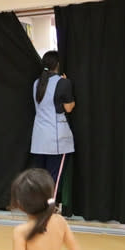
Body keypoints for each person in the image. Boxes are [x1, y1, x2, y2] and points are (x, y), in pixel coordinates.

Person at [30, 50, 75, 202]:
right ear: (58, 65)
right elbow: (69, 108)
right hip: (56, 139)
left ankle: (38, 207)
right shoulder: (63, 83)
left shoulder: (36, 83)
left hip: (38, 138)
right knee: (53, 178)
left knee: (41, 177)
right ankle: (48, 210)